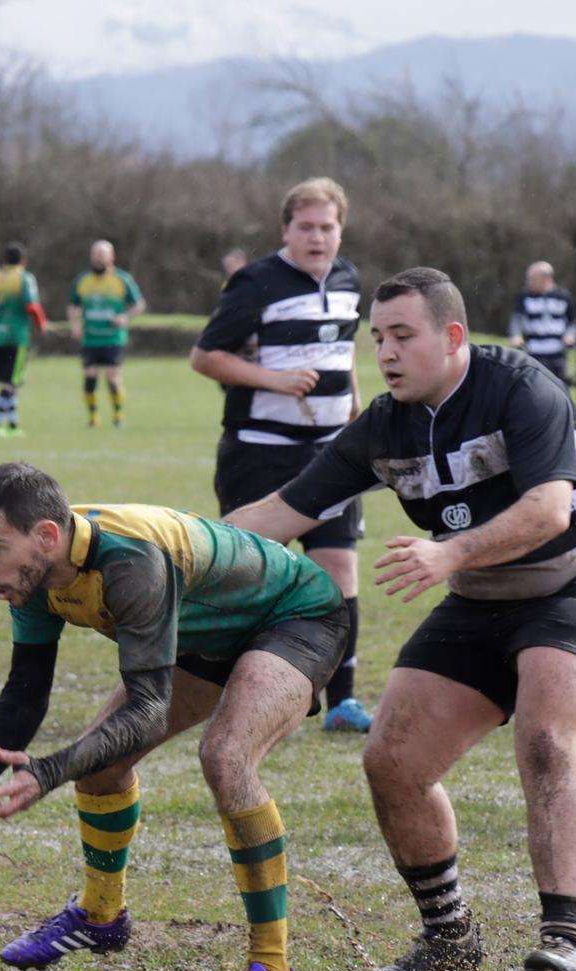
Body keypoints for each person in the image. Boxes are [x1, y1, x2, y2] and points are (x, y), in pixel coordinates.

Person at [230, 268, 576, 971]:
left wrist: (448, 554)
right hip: (480, 598)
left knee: (548, 740)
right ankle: (449, 940)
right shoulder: (383, 425)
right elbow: (281, 514)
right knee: (393, 761)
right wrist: (170, 545)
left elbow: (551, 509)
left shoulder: (521, 388)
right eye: (376, 338)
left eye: (402, 336)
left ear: (452, 337)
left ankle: (564, 943)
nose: (384, 353)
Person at [0, 463, 346, 971]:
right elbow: (24, 694)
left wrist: (45, 773)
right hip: (201, 631)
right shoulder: (38, 574)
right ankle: (99, 915)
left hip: (295, 616)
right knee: (100, 764)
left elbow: (147, 711)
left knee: (226, 757)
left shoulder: (130, 560)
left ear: (46, 535)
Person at [193, 177, 372, 733]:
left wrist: (358, 414)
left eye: (328, 227)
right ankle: (212, 688)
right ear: (285, 229)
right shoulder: (256, 282)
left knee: (338, 567)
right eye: (306, 227)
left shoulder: (349, 279)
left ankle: (342, 700)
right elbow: (205, 357)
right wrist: (273, 380)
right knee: (249, 576)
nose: (318, 237)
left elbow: (342, 355)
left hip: (330, 455)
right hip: (259, 453)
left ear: (340, 229)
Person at [68, 240, 145, 428]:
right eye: (95, 255)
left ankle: (118, 416)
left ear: (111, 257)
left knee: (112, 377)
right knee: (90, 377)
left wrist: (125, 318)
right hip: (91, 338)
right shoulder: (82, 280)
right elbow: (73, 305)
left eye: (102, 255)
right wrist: (75, 325)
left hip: (113, 338)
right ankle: (93, 419)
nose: (97, 259)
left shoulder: (122, 279)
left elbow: (139, 304)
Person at [0, 241, 47, 437]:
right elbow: (32, 307)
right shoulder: (24, 278)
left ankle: (12, 425)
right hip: (16, 336)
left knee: (7, 381)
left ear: (4, 260)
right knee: (12, 382)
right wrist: (41, 324)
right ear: (24, 261)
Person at [507, 261, 576, 385]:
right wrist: (516, 336)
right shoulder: (525, 296)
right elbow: (517, 320)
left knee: (560, 386)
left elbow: (573, 323)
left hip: (558, 355)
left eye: (532, 279)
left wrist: (570, 336)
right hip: (534, 353)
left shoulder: (563, 296)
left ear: (547, 279)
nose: (528, 282)